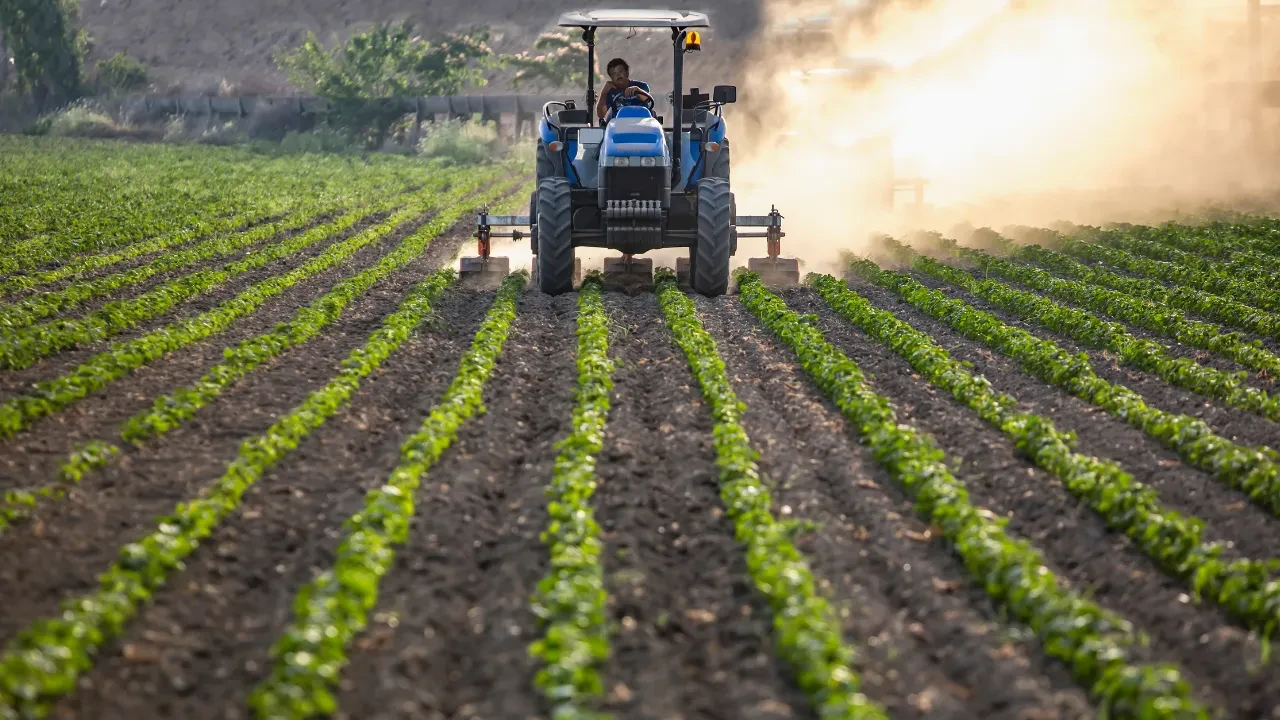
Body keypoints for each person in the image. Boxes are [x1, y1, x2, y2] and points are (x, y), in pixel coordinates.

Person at [596, 57, 653, 122]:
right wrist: (604, 93)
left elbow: (646, 99)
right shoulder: (610, 92)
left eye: (620, 71)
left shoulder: (641, 86)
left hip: (642, 122)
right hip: (619, 125)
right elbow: (601, 115)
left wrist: (637, 90)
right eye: (614, 74)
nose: (618, 75)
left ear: (627, 72)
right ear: (611, 77)